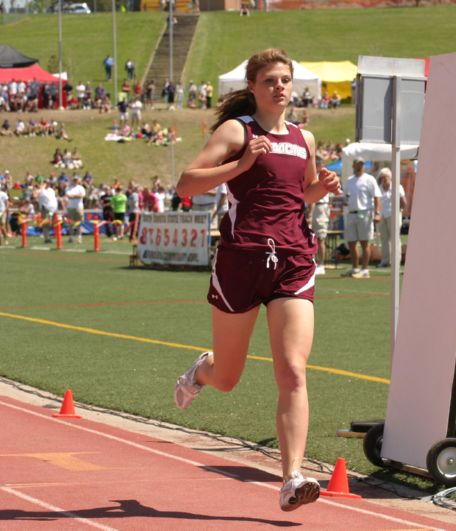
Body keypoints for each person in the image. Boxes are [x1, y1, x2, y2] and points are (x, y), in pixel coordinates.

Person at [172, 48, 341, 512]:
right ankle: (202, 370)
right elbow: (186, 184)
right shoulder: (236, 131)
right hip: (241, 261)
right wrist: (241, 166)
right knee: (227, 377)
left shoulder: (304, 138)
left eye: (285, 79)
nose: (280, 87)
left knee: (292, 369)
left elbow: (296, 193)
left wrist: (318, 189)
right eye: (270, 80)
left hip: (293, 259)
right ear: (253, 86)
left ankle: (291, 478)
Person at [341, 157, 381, 278]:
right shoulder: (349, 180)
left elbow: (376, 197)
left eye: (362, 164)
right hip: (351, 213)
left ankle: (365, 269)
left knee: (365, 242)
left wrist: (377, 212)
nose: (360, 166)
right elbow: (346, 196)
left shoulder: (370, 179)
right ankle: (355, 267)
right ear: (354, 165)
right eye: (358, 164)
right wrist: (345, 202)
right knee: (351, 243)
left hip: (365, 213)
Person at [376, 167, 406, 268]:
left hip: (394, 215)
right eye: (383, 177)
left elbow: (403, 202)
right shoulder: (378, 188)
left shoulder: (397, 187)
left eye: (386, 177)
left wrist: (399, 211)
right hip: (382, 216)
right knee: (384, 239)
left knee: (395, 239)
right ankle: (385, 260)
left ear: (391, 177)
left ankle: (396, 261)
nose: (384, 179)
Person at [65, 175, 86, 243]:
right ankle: (71, 237)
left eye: (76, 180)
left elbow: (82, 195)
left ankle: (79, 237)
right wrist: (76, 196)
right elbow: (68, 196)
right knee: (71, 223)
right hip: (70, 207)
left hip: (79, 207)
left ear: (78, 180)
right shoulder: (68, 188)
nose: (75, 181)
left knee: (79, 223)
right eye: (74, 179)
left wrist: (74, 196)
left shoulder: (81, 188)